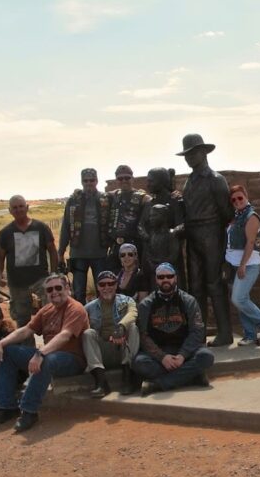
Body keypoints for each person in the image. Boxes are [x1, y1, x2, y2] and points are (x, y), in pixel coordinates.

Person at [0, 272, 90, 433]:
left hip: (72, 359)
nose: (54, 292)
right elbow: (27, 330)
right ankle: (6, 407)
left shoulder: (75, 308)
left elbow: (65, 336)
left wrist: (40, 354)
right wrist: (1, 343)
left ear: (67, 288)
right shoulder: (47, 309)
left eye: (58, 288)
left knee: (46, 360)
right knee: (8, 352)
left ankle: (29, 411)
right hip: (49, 354)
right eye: (49, 290)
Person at [177, 133, 234, 346]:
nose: (189, 157)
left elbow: (226, 213)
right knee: (196, 287)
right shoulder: (189, 181)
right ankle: (198, 334)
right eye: (187, 154)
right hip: (193, 237)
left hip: (211, 235)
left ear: (203, 152)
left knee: (214, 284)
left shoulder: (216, 180)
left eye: (193, 153)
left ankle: (225, 333)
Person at [132, 262, 212, 394]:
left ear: (175, 278)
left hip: (184, 350)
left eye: (169, 276)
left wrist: (182, 355)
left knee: (206, 357)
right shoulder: (146, 304)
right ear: (156, 279)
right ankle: (190, 376)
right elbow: (143, 335)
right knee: (139, 363)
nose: (165, 280)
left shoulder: (188, 301)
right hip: (160, 352)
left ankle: (159, 384)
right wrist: (162, 357)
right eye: (161, 277)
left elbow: (197, 331)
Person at [0, 195, 58, 327]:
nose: (18, 210)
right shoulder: (5, 232)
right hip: (17, 283)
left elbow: (52, 250)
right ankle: (27, 348)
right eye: (15, 207)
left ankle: (52, 345)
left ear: (27, 207)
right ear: (10, 210)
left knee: (50, 314)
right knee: (23, 321)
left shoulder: (41, 227)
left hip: (41, 279)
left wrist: (54, 274)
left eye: (21, 206)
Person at [226, 184, 260, 346]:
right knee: (242, 300)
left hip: (248, 264)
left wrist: (243, 265)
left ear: (246, 196)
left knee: (238, 299)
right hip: (232, 264)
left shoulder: (251, 216)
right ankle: (250, 334)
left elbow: (251, 242)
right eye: (234, 200)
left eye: (240, 197)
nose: (237, 201)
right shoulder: (237, 216)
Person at [82, 270, 140, 398]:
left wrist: (121, 327)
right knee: (88, 333)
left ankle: (128, 376)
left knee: (133, 328)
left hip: (123, 348)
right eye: (102, 285)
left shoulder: (127, 300)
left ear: (116, 285)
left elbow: (133, 313)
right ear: (97, 287)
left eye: (110, 284)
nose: (106, 287)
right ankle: (101, 382)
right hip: (103, 351)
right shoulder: (89, 307)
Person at [58, 168, 111, 304]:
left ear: (97, 181)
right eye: (85, 181)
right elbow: (65, 226)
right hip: (78, 253)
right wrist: (61, 252)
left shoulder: (106, 199)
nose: (89, 183)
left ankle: (102, 320)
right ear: (81, 182)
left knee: (103, 290)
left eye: (91, 180)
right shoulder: (73, 201)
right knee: (79, 291)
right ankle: (80, 320)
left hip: (99, 253)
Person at [138, 167, 185, 283]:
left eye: (151, 181)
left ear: (161, 181)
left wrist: (172, 233)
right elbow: (141, 225)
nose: (147, 185)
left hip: (169, 250)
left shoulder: (174, 201)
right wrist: (147, 237)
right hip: (150, 250)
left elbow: (182, 224)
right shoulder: (149, 203)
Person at [106, 164, 148, 267]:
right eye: (120, 178)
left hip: (134, 244)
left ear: (132, 179)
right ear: (116, 180)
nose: (124, 181)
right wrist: (78, 192)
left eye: (127, 178)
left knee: (135, 276)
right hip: (116, 245)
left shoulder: (143, 198)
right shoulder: (113, 195)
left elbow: (155, 202)